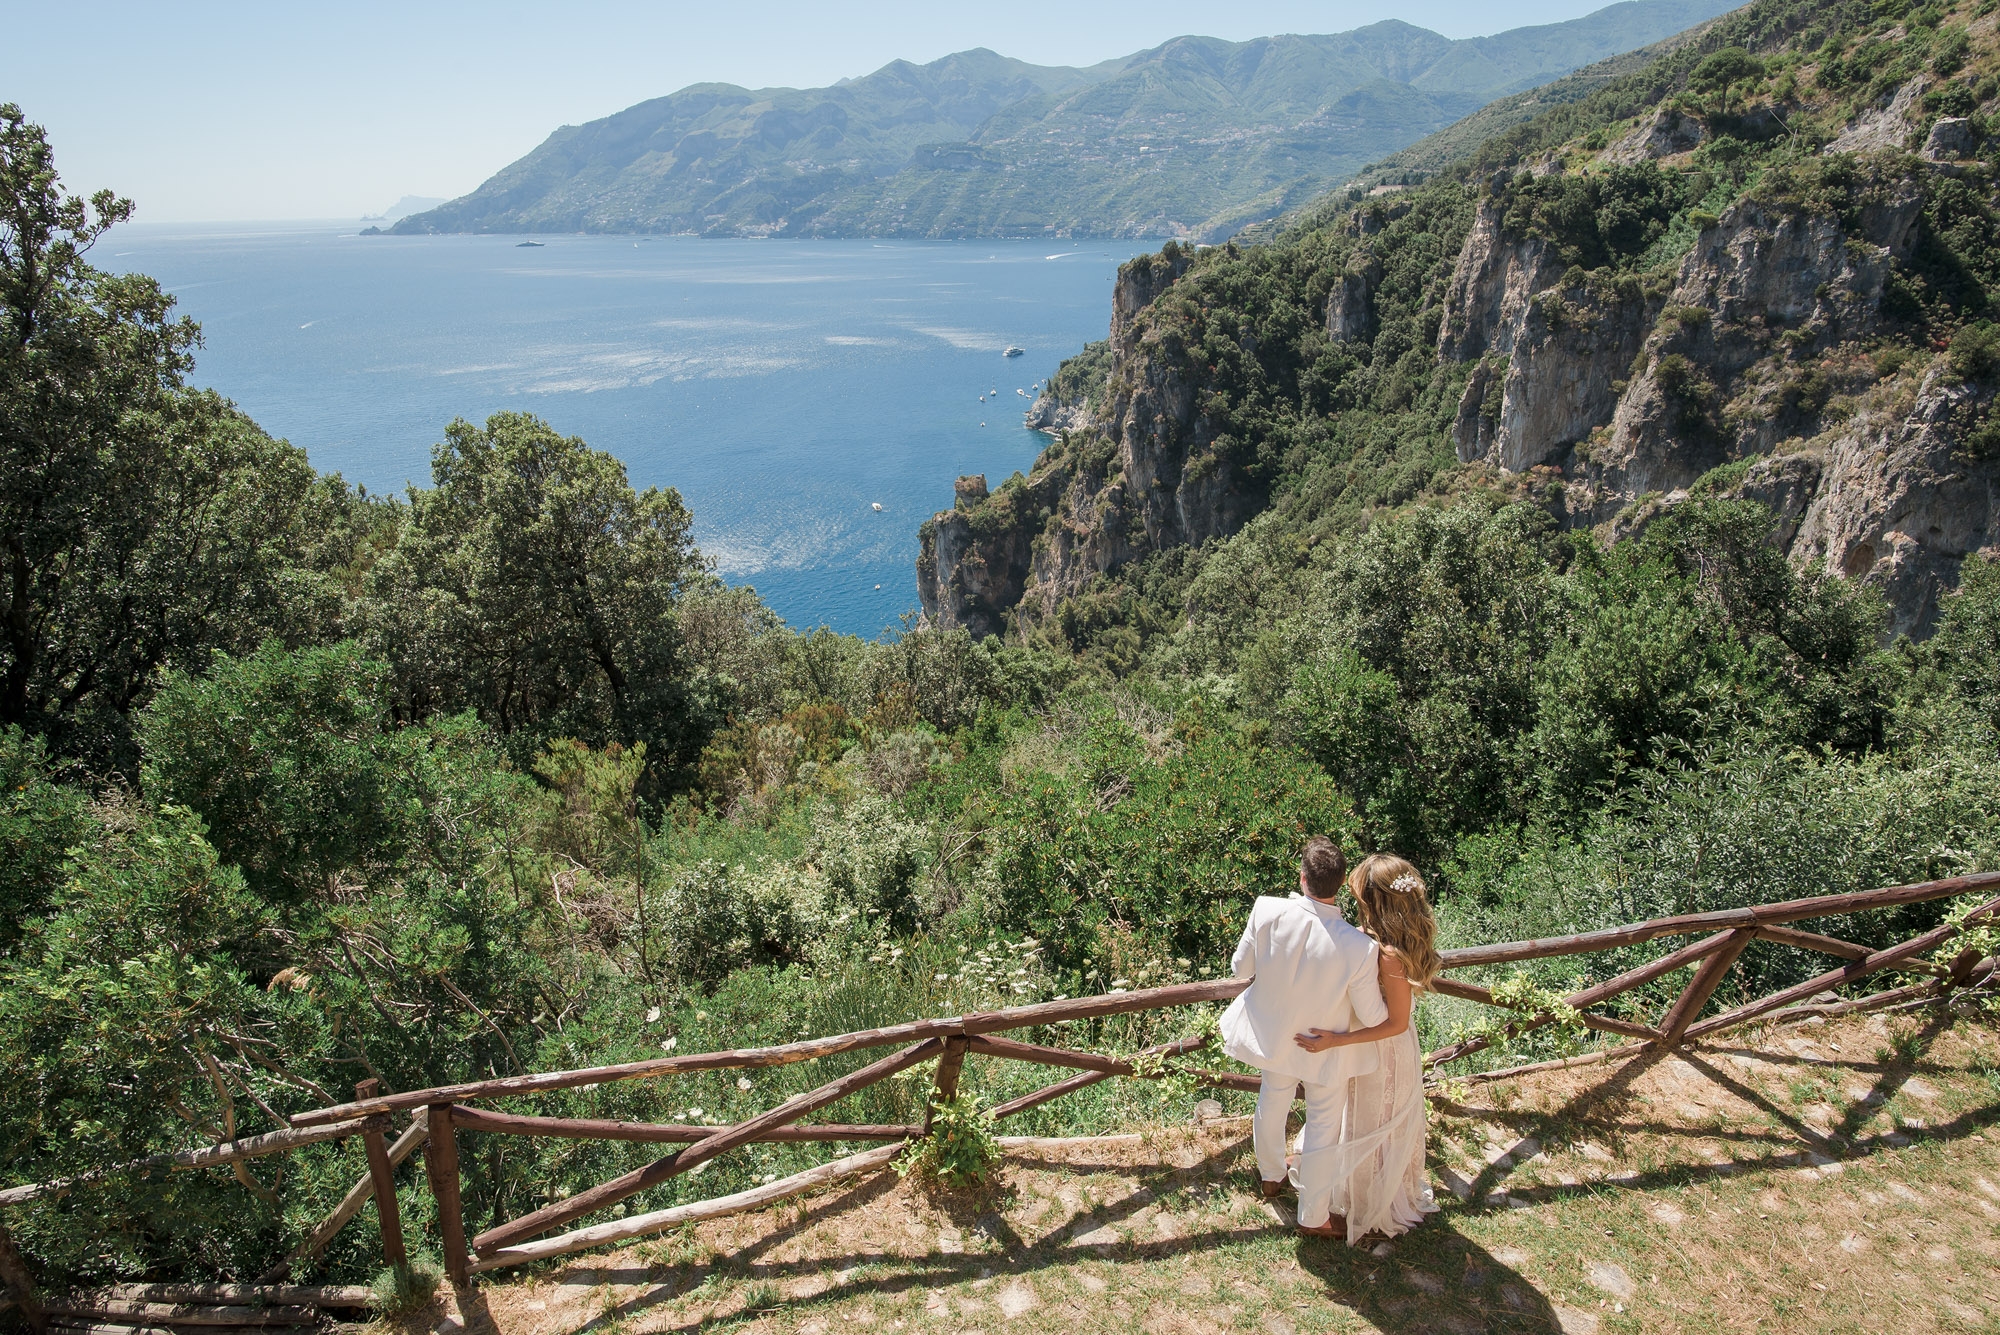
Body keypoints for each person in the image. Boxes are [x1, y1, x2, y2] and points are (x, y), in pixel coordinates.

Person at [1218, 836, 1389, 1238]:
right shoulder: (1359, 947)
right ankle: (1313, 1216)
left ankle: (1271, 1176)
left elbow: (1241, 968)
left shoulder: (1267, 909)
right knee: (1324, 1124)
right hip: (1323, 1046)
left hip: (1274, 1037)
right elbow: (1372, 1016)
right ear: (1341, 881)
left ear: (1303, 877)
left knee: (1272, 1101)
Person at [1292, 853, 1443, 1245]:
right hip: (1380, 1041)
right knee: (1357, 1118)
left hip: (1384, 1049)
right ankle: (1343, 1185)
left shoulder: (1389, 955)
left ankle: (1370, 1198)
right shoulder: (1387, 941)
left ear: (1377, 902)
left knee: (1373, 1123)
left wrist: (1337, 1040)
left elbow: (1394, 1022)